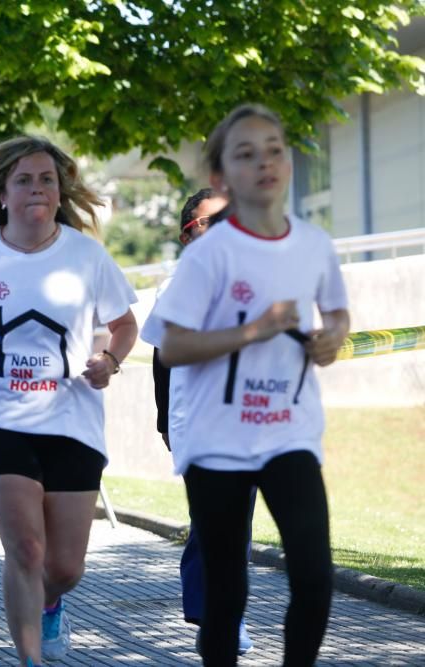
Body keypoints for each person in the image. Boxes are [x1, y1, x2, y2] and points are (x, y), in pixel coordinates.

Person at [150, 104, 349, 665]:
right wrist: (255, 330)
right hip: (220, 441)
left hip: (291, 432)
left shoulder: (314, 243)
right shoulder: (206, 256)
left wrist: (330, 338)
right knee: (226, 593)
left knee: (314, 577)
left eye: (274, 149)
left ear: (287, 161)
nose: (263, 162)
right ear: (223, 177)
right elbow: (173, 346)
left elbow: (336, 315)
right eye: (245, 153)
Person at [0, 136, 138, 667]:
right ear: (2, 193)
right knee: (25, 549)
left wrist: (110, 361)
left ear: (58, 190)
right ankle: (30, 662)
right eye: (23, 180)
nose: (36, 189)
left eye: (46, 179)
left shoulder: (85, 255)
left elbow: (124, 324)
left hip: (72, 419)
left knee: (66, 566)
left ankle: (51, 604)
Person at [144, 188, 255, 655]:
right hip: (199, 423)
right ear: (190, 235)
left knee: (238, 523)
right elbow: (161, 360)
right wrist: (166, 423)